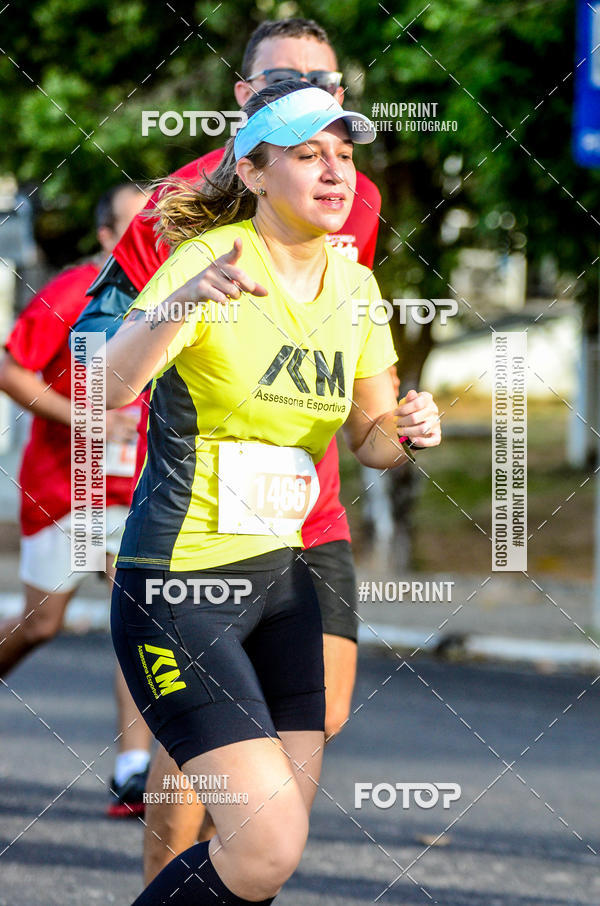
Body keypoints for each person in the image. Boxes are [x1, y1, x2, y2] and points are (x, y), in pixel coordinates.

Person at [106, 80, 441, 905]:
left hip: (287, 586)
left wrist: (408, 424)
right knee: (265, 844)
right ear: (254, 174)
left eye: (344, 156)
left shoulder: (356, 288)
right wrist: (180, 302)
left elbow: (371, 445)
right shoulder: (206, 262)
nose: (335, 174)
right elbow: (106, 388)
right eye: (306, 155)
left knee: (267, 854)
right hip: (181, 582)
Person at [73, 16, 386, 879]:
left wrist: (393, 420)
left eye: (324, 85)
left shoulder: (351, 199)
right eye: (284, 84)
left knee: (302, 753)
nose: (310, 100)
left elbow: (356, 346)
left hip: (306, 517)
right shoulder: (175, 209)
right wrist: (108, 498)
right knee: (215, 755)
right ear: (245, 98)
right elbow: (97, 359)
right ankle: (167, 877)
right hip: (194, 517)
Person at [0, 183, 153, 818]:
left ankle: (134, 769)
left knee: (138, 619)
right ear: (105, 237)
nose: (151, 234)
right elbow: (11, 369)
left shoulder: (183, 296)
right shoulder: (74, 292)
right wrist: (85, 418)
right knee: (42, 623)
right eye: (135, 224)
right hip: (69, 488)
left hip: (139, 490)